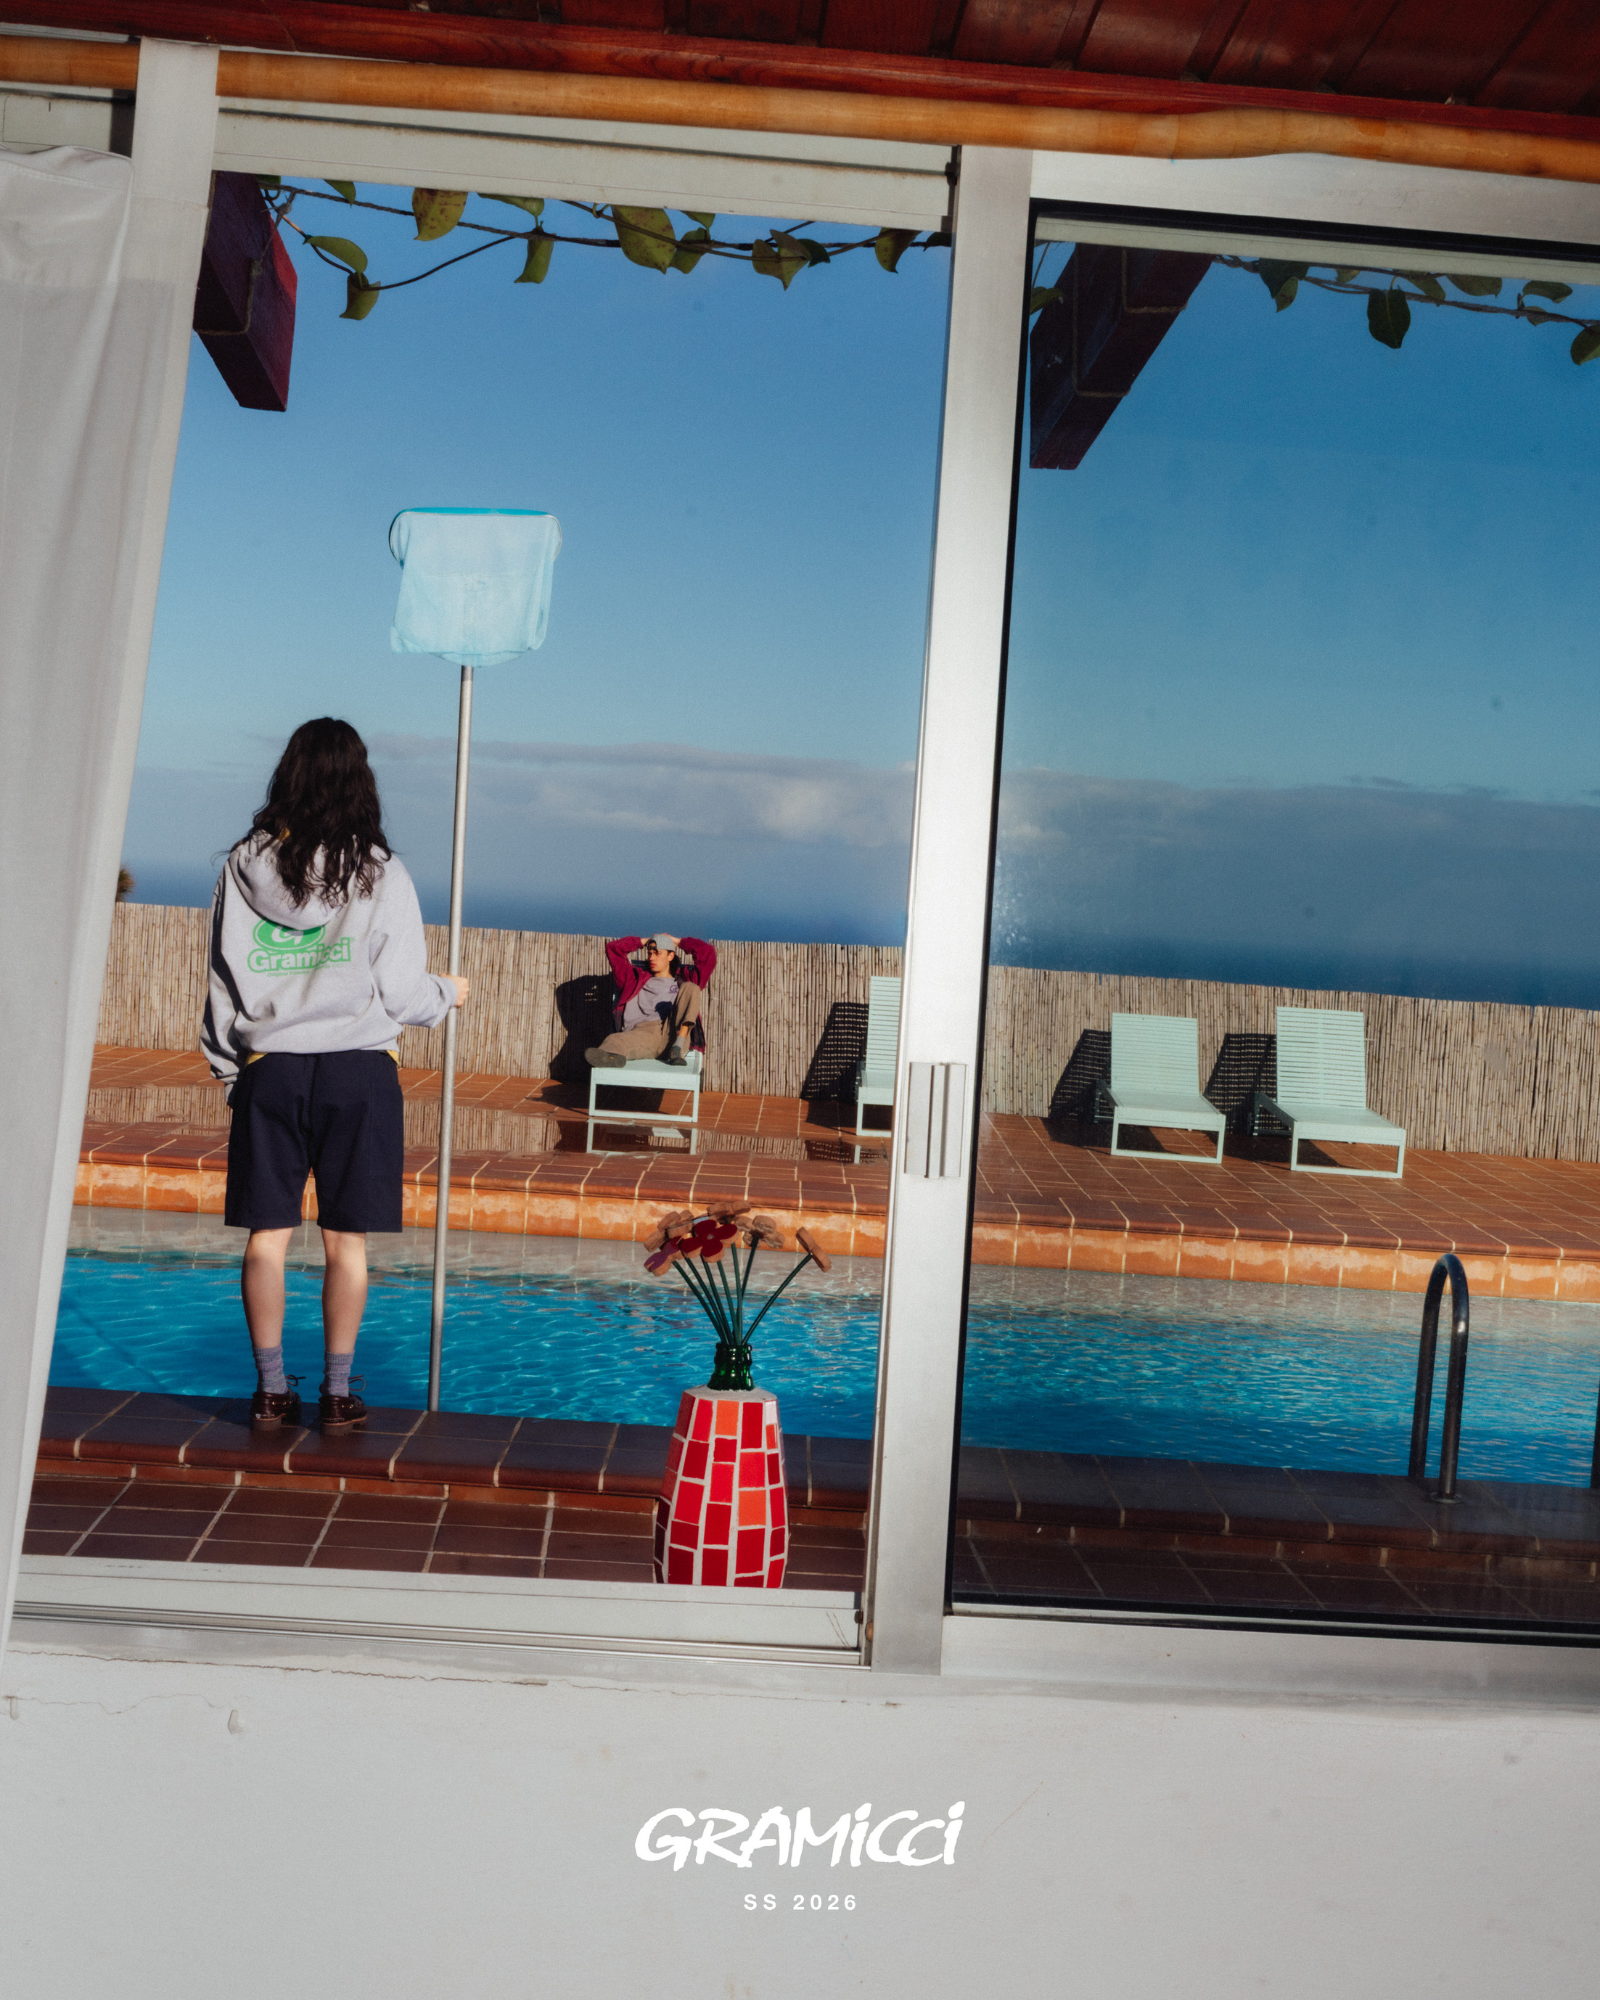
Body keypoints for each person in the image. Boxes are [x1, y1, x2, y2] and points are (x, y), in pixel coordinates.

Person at [200, 718, 467, 1435]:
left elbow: (223, 981)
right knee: (346, 1243)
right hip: (358, 1074)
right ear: (360, 781)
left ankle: (268, 1390)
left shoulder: (242, 865)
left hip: (269, 1072)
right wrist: (449, 994)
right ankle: (338, 1392)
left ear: (286, 775)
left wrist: (234, 1071)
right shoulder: (378, 870)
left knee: (266, 1239)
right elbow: (405, 992)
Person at [585, 932, 717, 1069]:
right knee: (613, 1040)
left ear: (670, 955)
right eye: (650, 953)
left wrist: (677, 942)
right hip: (641, 1034)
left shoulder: (683, 980)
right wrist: (646, 941)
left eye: (657, 953)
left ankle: (677, 1048)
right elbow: (613, 948)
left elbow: (707, 953)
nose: (651, 958)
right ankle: (612, 1058)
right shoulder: (633, 979)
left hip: (672, 1034)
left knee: (691, 988)